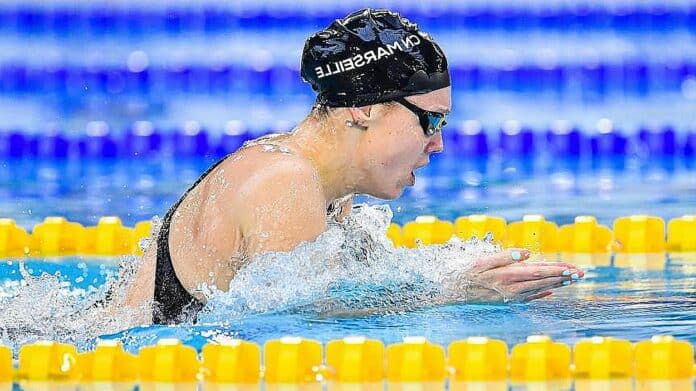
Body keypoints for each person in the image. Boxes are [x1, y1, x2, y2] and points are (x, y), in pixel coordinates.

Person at [123, 8, 584, 324]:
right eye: (430, 120)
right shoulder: (285, 182)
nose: (438, 144)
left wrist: (451, 277)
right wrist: (457, 295)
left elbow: (339, 293)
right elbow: (293, 322)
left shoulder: (325, 187)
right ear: (364, 108)